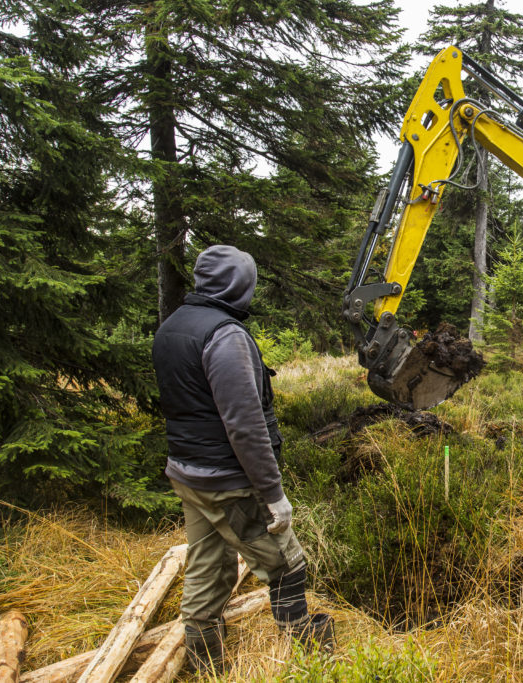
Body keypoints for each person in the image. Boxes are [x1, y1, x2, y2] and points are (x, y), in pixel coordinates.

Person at [152, 245, 332, 673]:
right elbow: (244, 425)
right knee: (288, 566)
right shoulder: (226, 335)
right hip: (229, 483)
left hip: (189, 474)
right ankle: (310, 664)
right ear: (239, 285)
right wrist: (273, 495)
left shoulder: (173, 326)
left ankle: (205, 668)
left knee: (207, 569)